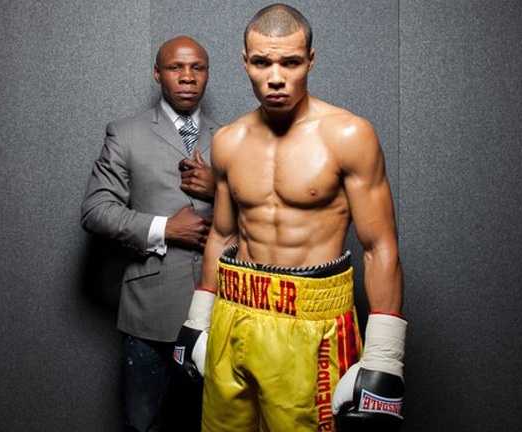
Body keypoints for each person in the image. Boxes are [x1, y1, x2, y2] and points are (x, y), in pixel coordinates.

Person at [174, 4, 407, 432]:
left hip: (311, 323)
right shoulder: (228, 141)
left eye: (291, 62)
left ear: (311, 60)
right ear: (245, 62)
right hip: (234, 312)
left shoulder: (348, 135)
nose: (276, 77)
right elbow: (223, 235)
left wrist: (384, 357)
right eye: (262, 62)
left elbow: (379, 247)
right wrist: (197, 319)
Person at [81, 35, 219, 432]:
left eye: (197, 68)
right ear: (158, 73)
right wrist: (165, 229)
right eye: (176, 68)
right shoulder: (125, 134)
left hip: (222, 313)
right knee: (143, 424)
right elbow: (96, 211)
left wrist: (220, 192)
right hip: (151, 313)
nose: (188, 77)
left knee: (216, 424)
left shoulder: (233, 138)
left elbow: (262, 216)